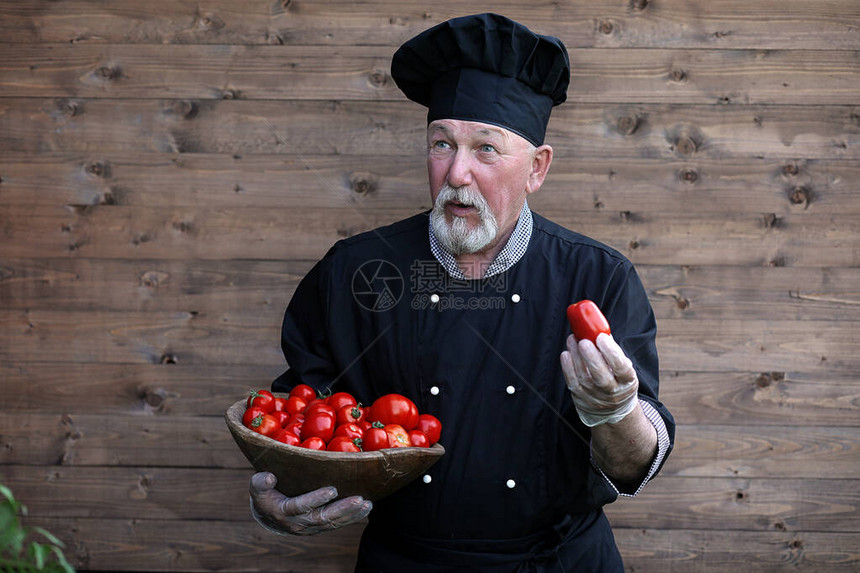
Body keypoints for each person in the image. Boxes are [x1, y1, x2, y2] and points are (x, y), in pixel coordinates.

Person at [249, 13, 674, 572]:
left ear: (537, 169)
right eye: (441, 143)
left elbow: (635, 464)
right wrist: (275, 498)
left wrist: (615, 411)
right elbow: (298, 420)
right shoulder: (357, 272)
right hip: (405, 562)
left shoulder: (599, 277)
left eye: (486, 150)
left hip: (557, 562)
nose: (456, 173)